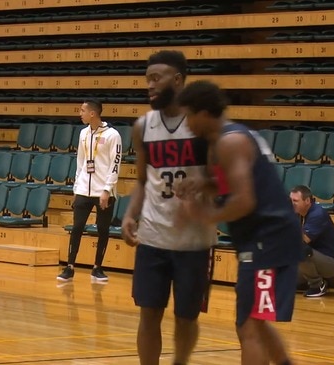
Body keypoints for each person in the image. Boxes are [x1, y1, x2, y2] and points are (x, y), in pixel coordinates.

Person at [176, 79, 301, 365]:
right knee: (253, 319)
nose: (187, 124)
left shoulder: (230, 141)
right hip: (263, 239)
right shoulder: (231, 137)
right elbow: (229, 185)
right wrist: (203, 184)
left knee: (249, 325)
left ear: (204, 113)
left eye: (189, 116)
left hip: (267, 239)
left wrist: (205, 216)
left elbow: (244, 200)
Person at [120, 50, 217, 365]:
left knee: (186, 318)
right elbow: (142, 181)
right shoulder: (143, 126)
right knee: (148, 314)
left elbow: (224, 180)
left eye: (155, 78)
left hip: (194, 240)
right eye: (147, 78)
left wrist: (203, 185)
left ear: (177, 80)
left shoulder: (202, 124)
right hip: (153, 236)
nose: (149, 85)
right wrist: (130, 214)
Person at [57, 100, 122, 283]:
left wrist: (107, 190)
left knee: (102, 230)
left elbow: (115, 164)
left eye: (83, 110)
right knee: (77, 228)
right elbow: (80, 162)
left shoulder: (112, 135)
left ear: (93, 113)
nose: (80, 113)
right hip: (84, 189)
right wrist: (76, 187)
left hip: (103, 191)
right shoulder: (83, 133)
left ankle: (97, 268)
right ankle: (70, 267)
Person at [289, 185, 334, 297]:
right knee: (288, 282)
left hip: (331, 262)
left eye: (295, 201)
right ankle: (329, 280)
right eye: (290, 200)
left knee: (299, 250)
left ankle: (317, 285)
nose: (291, 203)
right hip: (315, 258)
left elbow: (302, 241)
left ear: (307, 201)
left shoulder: (317, 214)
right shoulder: (299, 213)